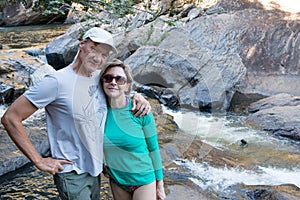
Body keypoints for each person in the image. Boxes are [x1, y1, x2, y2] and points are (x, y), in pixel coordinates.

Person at [1, 27, 150, 200]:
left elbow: (118, 94)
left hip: (95, 169)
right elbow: (10, 117)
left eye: (104, 54)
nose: (98, 57)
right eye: (94, 48)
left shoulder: (100, 78)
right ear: (82, 44)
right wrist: (39, 160)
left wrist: (137, 97)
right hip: (72, 172)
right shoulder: (56, 82)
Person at [100, 59, 166, 200]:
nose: (113, 82)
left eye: (119, 79)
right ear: (102, 82)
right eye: (108, 78)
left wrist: (160, 186)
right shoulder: (98, 112)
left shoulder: (140, 110)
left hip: (144, 180)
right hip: (117, 180)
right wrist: (101, 164)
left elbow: (153, 149)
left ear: (127, 85)